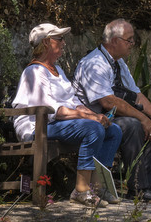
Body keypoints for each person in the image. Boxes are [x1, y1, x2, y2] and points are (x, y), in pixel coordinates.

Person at [12, 23, 122, 207]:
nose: (64, 43)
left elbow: (73, 102)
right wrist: (90, 118)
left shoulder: (58, 70)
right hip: (37, 127)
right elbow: (53, 110)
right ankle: (81, 190)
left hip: (56, 124)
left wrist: (95, 115)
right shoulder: (34, 72)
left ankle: (97, 187)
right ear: (46, 42)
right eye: (60, 39)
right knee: (92, 128)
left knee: (114, 130)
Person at [74, 19, 151, 203]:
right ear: (115, 41)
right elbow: (108, 101)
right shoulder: (94, 63)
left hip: (113, 116)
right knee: (133, 125)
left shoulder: (119, 63)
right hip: (96, 119)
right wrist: (143, 118)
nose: (132, 44)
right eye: (129, 40)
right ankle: (138, 187)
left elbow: (136, 93)